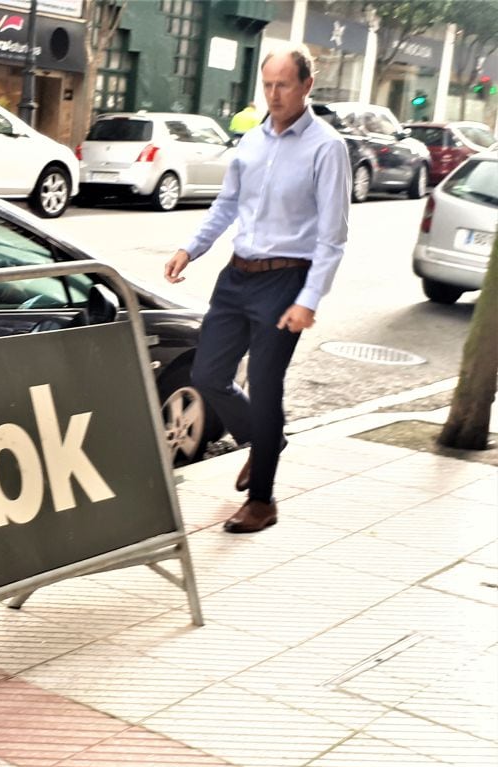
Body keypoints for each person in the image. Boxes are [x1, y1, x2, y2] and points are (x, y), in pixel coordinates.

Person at [163, 45, 350, 533]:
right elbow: (226, 206)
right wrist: (191, 249)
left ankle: (263, 501)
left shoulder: (327, 148)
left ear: (307, 86)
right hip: (237, 276)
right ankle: (264, 439)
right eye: (267, 85)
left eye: (284, 84)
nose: (274, 94)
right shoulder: (251, 141)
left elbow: (333, 237)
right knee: (207, 373)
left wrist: (308, 299)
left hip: (286, 279)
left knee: (266, 386)